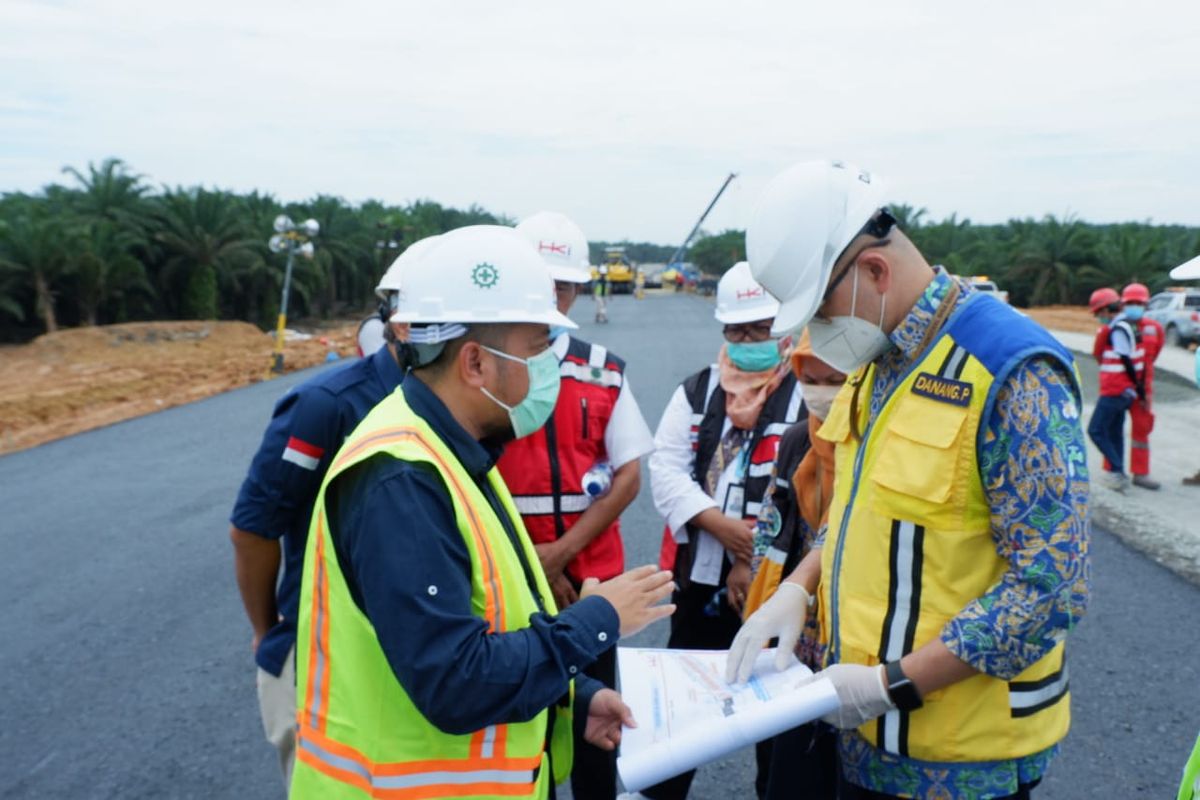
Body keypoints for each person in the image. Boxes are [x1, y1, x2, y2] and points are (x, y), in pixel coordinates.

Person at [287, 225, 675, 800]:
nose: (550, 367)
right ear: (475, 363)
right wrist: (596, 619)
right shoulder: (402, 479)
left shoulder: (454, 451)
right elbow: (454, 679)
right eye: (538, 348)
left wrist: (576, 697)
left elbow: (492, 624)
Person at [744, 160, 1090, 800]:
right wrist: (796, 586)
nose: (815, 334)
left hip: (962, 762)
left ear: (873, 271)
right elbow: (859, 511)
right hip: (864, 744)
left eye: (819, 309)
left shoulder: (1009, 370)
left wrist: (890, 685)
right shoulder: (879, 359)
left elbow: (1050, 589)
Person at [228, 236, 438, 785]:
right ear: (396, 321)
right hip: (319, 646)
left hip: (419, 644)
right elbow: (253, 527)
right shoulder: (329, 404)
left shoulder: (455, 406)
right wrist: (269, 629)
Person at [499, 211, 655, 800]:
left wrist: (559, 556)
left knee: (597, 724)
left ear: (578, 288)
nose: (550, 294)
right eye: (539, 279)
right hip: (507, 578)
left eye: (561, 283)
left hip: (590, 586)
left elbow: (629, 475)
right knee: (516, 718)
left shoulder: (602, 370)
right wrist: (534, 564)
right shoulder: (487, 368)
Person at [642, 261, 803, 800]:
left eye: (760, 329)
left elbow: (809, 486)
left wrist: (751, 554)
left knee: (780, 729)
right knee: (685, 714)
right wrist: (723, 529)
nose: (748, 341)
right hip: (703, 583)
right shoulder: (698, 391)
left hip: (783, 588)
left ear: (783, 326)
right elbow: (665, 467)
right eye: (737, 331)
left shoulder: (807, 390)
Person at [730, 332, 846, 800]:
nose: (822, 392)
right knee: (788, 777)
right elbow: (772, 529)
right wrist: (763, 600)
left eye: (836, 379)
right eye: (810, 379)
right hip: (795, 645)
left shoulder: (880, 441)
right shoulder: (799, 439)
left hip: (854, 645)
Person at [1087, 285, 1144, 492]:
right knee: (1114, 432)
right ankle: (1117, 473)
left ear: (1105, 309)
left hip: (1116, 390)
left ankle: (1118, 470)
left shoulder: (1118, 328)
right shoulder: (1130, 325)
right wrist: (1137, 388)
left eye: (1098, 313)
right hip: (1125, 390)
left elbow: (1125, 359)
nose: (1098, 317)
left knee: (1095, 430)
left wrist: (1133, 386)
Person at [1118, 282, 1164, 489]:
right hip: (1119, 385)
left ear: (1145, 305)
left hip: (1143, 388)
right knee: (1113, 428)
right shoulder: (1117, 327)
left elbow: (1155, 355)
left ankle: (1140, 473)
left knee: (1141, 430)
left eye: (1138, 303)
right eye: (1130, 303)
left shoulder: (1155, 329)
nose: (1134, 306)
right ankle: (1113, 470)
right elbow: (1102, 353)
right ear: (1123, 304)